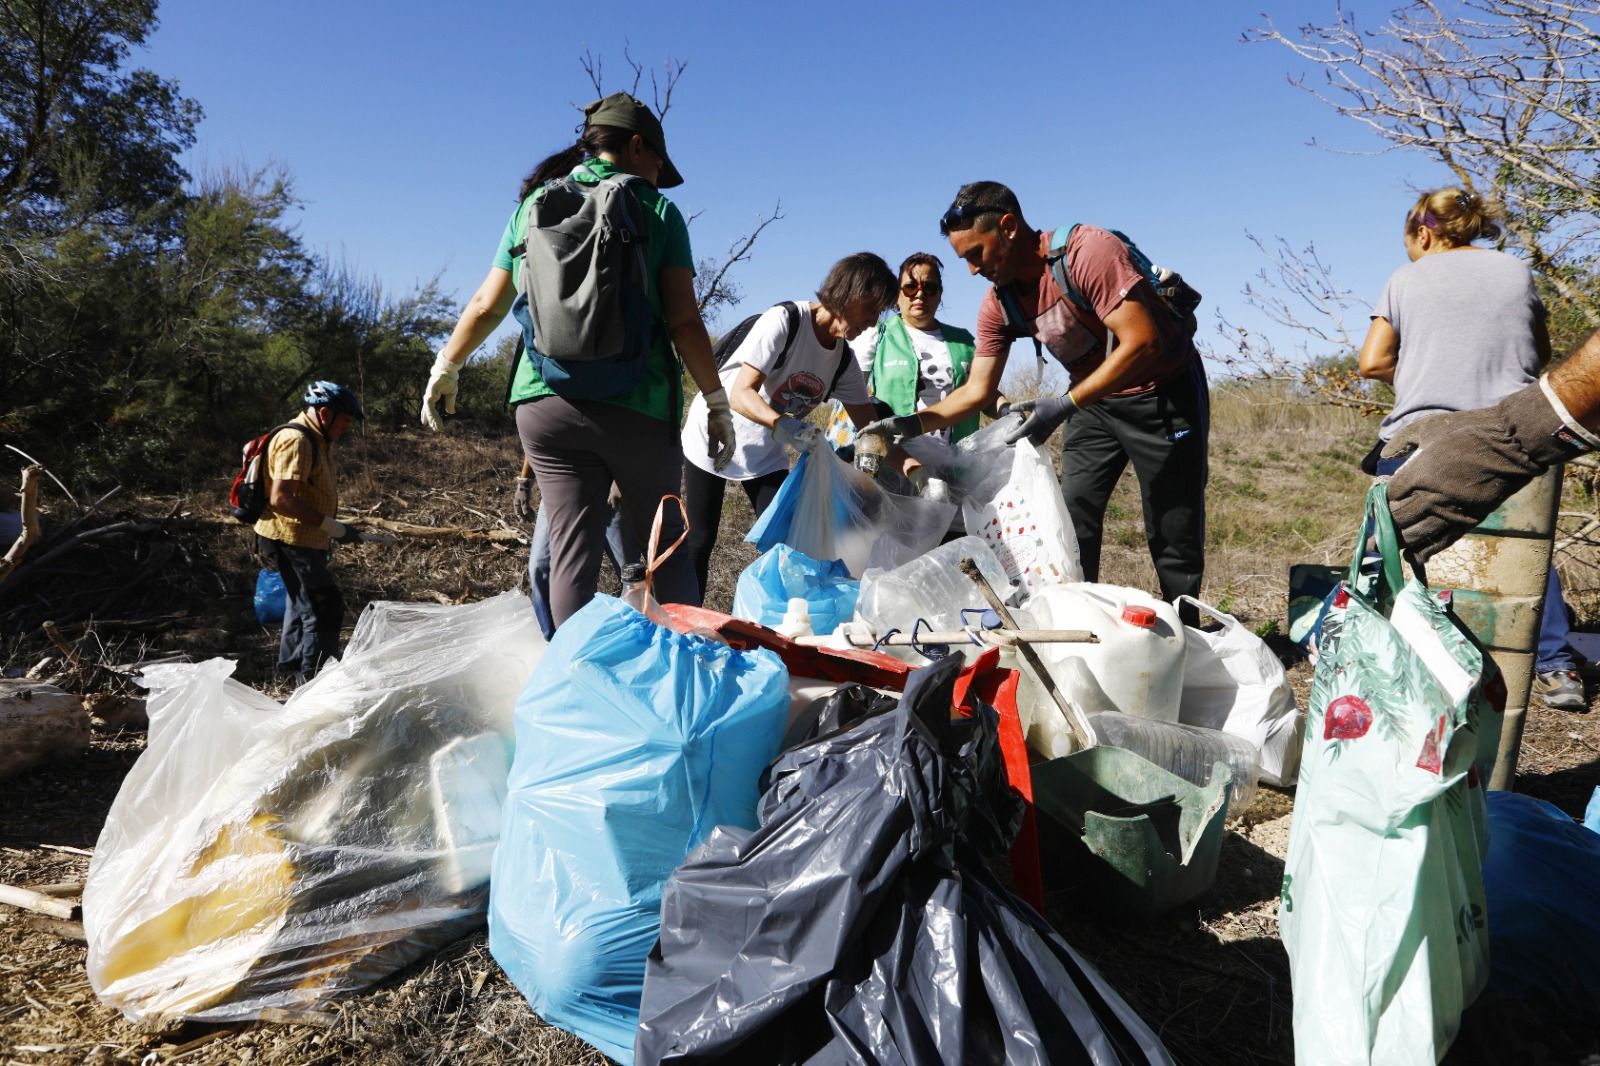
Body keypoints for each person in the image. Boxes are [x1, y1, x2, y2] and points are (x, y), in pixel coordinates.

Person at [419, 92, 733, 629]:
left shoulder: (534, 206)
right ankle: (685, 676)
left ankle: (575, 682)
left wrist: (445, 365)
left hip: (545, 404)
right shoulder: (659, 211)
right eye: (659, 162)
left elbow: (485, 304)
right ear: (637, 147)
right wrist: (716, 398)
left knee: (570, 556)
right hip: (638, 404)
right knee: (667, 550)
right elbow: (683, 322)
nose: (660, 175)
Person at [858, 181, 1209, 607]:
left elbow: (1143, 342)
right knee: (1071, 517)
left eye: (975, 254)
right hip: (1094, 403)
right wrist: (910, 424)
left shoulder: (1088, 252)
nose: (971, 270)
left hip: (1162, 393)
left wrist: (1064, 404)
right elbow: (978, 391)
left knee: (1173, 522)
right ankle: (1080, 619)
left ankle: (1188, 631)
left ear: (1007, 226)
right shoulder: (999, 303)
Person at [1357, 187, 1584, 709]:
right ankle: (1553, 666)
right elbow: (1542, 354)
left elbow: (1372, 361)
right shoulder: (1515, 273)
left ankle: (1376, 648)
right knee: (1526, 552)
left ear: (1424, 232)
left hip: (1424, 434)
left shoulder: (1405, 278)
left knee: (1392, 540)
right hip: (1515, 432)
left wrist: (1420, 373)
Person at [680, 252, 897, 596]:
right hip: (714, 434)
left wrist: (914, 468)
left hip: (765, 451)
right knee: (699, 541)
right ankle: (683, 626)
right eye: (873, 309)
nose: (873, 322)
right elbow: (740, 394)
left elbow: (871, 429)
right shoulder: (785, 321)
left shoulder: (842, 360)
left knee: (789, 543)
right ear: (854, 292)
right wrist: (785, 426)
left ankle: (780, 622)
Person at [1385, 327, 1600, 558]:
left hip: (1517, 431)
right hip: (1524, 423)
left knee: (1385, 547)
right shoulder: (1526, 290)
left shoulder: (1400, 290)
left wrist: (1514, 437)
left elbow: (1373, 363)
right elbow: (1541, 355)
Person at [253, 380, 366, 683]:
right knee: (323, 608)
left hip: (305, 538)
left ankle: (291, 669)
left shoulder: (316, 438)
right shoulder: (297, 440)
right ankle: (316, 682)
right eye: (344, 420)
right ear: (325, 413)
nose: (346, 428)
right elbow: (281, 497)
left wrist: (332, 530)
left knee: (300, 604)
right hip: (290, 538)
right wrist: (330, 526)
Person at [512, 458, 635, 640]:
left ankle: (635, 639)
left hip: (609, 490)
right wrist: (524, 482)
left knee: (630, 573)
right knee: (539, 566)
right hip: (561, 487)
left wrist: (621, 479)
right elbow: (538, 432)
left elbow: (632, 435)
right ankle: (553, 641)